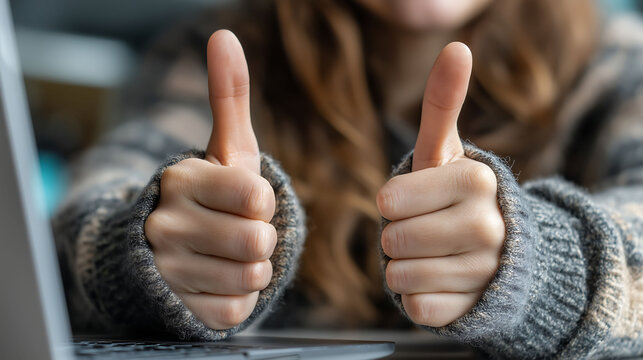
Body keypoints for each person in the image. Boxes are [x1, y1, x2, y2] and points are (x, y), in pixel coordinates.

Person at [52, 0, 643, 358]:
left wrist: (537, 263)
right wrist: (141, 253)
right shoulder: (212, 55)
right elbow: (75, 226)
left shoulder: (619, 65)